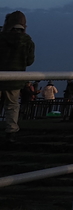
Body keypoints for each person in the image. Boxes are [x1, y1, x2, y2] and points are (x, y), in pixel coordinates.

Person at [0, 11, 35, 142]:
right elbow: (29, 61)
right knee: (12, 106)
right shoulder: (28, 41)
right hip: (15, 79)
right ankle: (11, 132)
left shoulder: (1, 37)